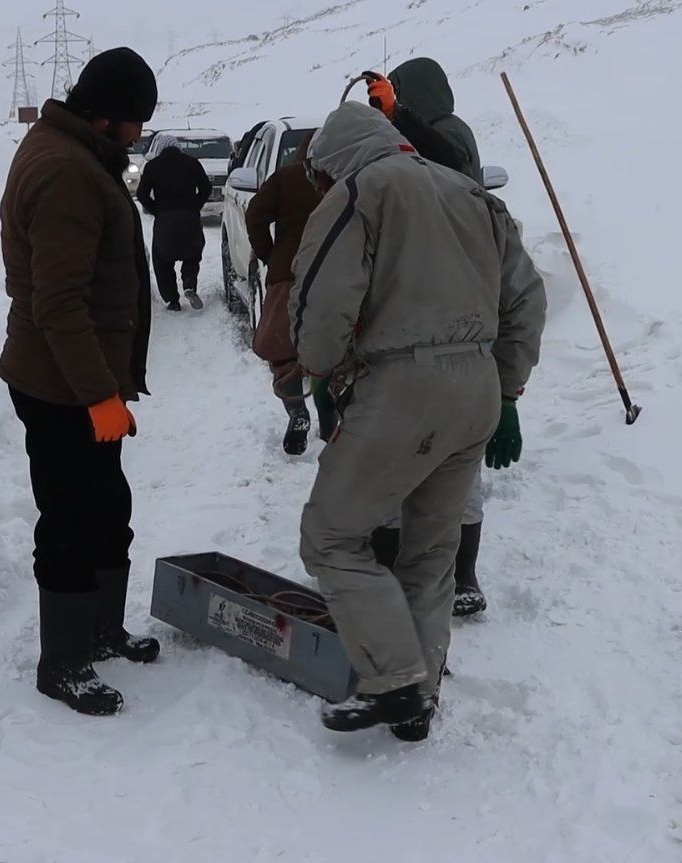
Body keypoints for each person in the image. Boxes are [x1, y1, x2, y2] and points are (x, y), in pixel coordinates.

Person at [291, 102, 546, 738]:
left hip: (405, 385)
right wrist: (507, 387)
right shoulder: (471, 193)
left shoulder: (360, 190)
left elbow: (322, 301)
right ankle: (420, 698)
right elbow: (526, 299)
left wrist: (318, 369)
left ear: (334, 160)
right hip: (477, 389)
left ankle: (395, 679)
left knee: (330, 536)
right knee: (431, 552)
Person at [0, 47, 161, 717]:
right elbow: (58, 305)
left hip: (84, 379)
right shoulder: (66, 172)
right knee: (69, 518)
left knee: (105, 505)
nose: (139, 136)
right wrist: (99, 396)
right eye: (135, 123)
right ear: (108, 117)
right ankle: (62, 661)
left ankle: (99, 627)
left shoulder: (78, 154)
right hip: (61, 385)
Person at [365, 56, 493, 617]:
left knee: (450, 465)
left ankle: (460, 577)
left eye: (402, 98)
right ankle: (404, 572)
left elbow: (446, 166)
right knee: (407, 463)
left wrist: (399, 119)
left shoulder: (448, 136)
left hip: (452, 323)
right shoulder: (407, 143)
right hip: (420, 322)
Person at [244, 130, 323, 456]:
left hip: (288, 275)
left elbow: (254, 216)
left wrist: (270, 254)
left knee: (282, 350)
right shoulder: (351, 178)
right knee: (340, 354)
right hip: (342, 278)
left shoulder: (287, 176)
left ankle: (297, 411)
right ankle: (334, 422)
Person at [136, 140, 212, 311]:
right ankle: (189, 284)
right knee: (192, 255)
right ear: (178, 148)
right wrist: (194, 207)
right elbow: (206, 188)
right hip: (189, 218)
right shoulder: (192, 163)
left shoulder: (153, 166)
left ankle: (172, 300)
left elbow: (141, 194)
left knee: (162, 260)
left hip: (165, 220)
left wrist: (156, 210)